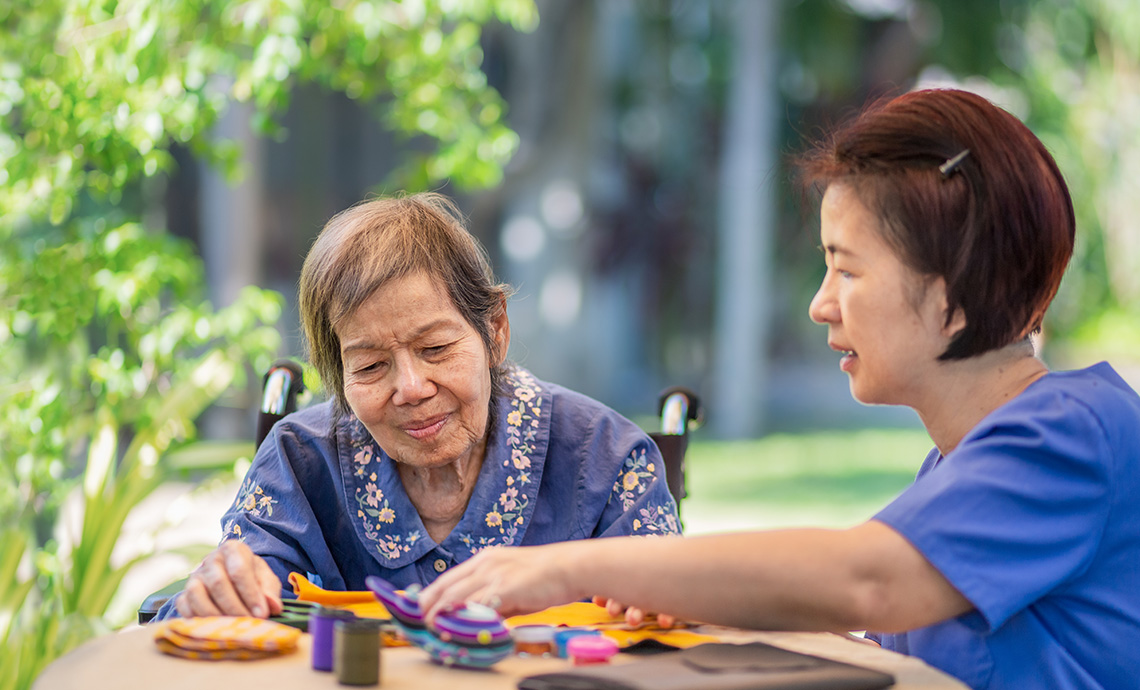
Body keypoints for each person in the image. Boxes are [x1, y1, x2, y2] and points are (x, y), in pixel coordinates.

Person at [420, 88, 1140, 690]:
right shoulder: (964, 467)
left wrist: (565, 567)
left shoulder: (1075, 435)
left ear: (954, 286)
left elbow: (868, 581)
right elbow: (890, 646)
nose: (821, 305)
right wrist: (690, 596)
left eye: (846, 269)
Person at [156, 193, 679, 620]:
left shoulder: (606, 457)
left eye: (435, 349)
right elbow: (212, 610)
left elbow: (675, 610)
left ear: (494, 330)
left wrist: (659, 599)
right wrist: (218, 592)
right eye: (370, 366)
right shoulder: (300, 462)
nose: (410, 387)